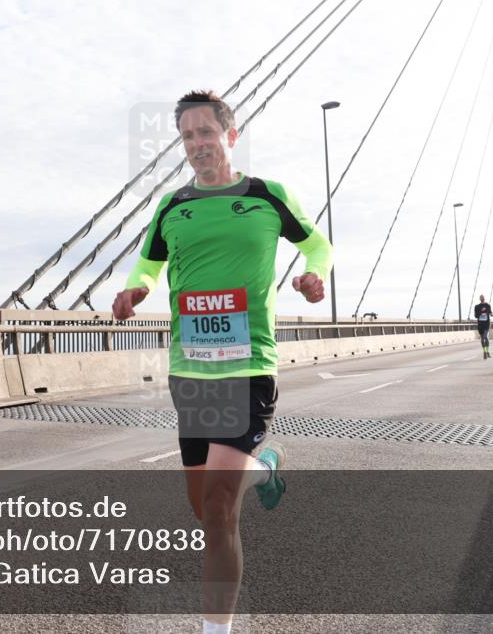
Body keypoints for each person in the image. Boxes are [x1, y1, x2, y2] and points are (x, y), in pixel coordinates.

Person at [113, 90, 333, 634]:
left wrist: (312, 277)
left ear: (230, 136)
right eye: (187, 136)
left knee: (217, 511)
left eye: (206, 133)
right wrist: (134, 290)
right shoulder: (172, 206)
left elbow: (318, 245)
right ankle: (265, 472)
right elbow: (146, 267)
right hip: (190, 369)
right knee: (204, 510)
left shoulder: (266, 195)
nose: (197, 145)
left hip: (248, 364)